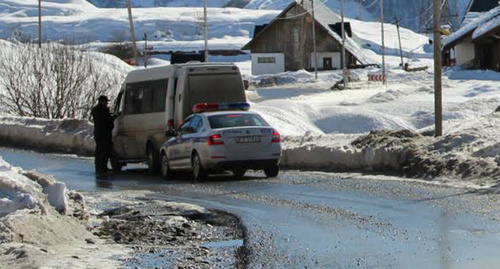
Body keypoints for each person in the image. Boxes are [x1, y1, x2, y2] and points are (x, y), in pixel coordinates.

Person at [91, 95, 114, 174]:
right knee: (104, 150)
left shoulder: (96, 110)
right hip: (103, 133)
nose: (107, 103)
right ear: (102, 101)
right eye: (106, 101)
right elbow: (106, 121)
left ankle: (100, 167)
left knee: (100, 150)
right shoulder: (102, 111)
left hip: (99, 133)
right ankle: (102, 167)